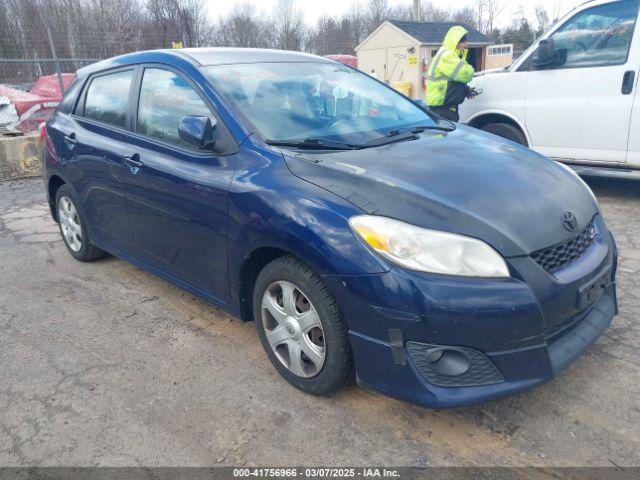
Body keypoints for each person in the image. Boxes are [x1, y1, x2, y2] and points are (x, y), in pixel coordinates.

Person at [426, 26, 478, 122]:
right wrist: (469, 66)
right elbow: (466, 74)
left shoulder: (446, 54)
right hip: (443, 110)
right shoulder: (447, 55)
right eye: (464, 42)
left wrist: (465, 90)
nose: (466, 45)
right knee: (444, 136)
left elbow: (450, 80)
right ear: (456, 42)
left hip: (442, 108)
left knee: (444, 135)